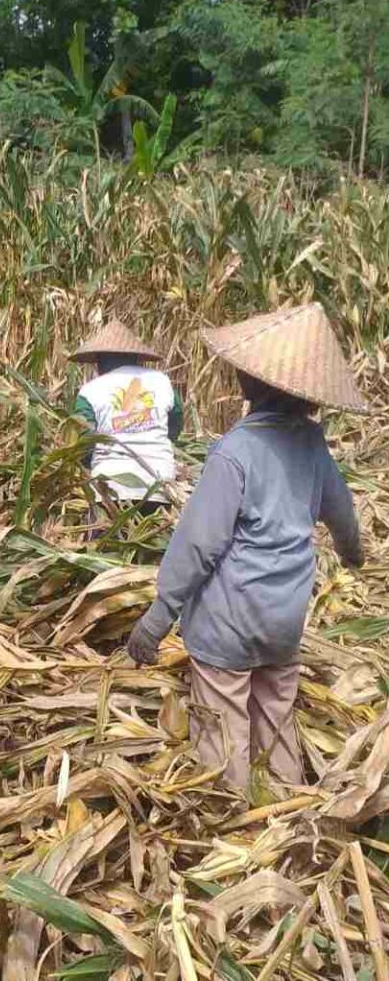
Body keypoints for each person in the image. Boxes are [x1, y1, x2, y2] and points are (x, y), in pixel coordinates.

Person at [126, 303, 366, 791]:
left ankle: (231, 821)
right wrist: (353, 553)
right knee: (275, 718)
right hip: (284, 621)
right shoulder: (313, 448)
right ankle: (286, 810)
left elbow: (199, 544)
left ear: (255, 384)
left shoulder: (235, 452)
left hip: (229, 625)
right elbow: (342, 514)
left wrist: (157, 618)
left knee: (221, 725)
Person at [71, 320, 183, 512]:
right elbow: (176, 422)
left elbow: (85, 443)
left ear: (99, 360)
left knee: (107, 540)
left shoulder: (90, 391)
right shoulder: (162, 381)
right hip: (158, 484)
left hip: (110, 487)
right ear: (137, 357)